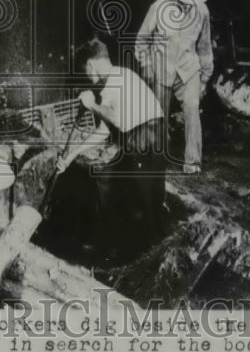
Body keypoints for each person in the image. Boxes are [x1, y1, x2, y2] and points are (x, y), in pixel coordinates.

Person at [55, 38, 166, 261]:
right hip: (151, 136)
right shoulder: (120, 76)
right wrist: (71, 155)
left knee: (138, 201)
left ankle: (141, 257)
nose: (87, 77)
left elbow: (120, 121)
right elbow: (104, 131)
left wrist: (92, 105)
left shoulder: (114, 82)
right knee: (116, 183)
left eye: (84, 70)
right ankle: (119, 245)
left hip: (144, 139)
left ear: (90, 65)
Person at [135, 0, 213, 174]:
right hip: (161, 67)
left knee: (192, 107)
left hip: (188, 69)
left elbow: (204, 46)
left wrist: (205, 77)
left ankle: (193, 161)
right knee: (158, 114)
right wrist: (146, 65)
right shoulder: (159, 7)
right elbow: (142, 40)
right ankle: (158, 158)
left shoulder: (202, 12)